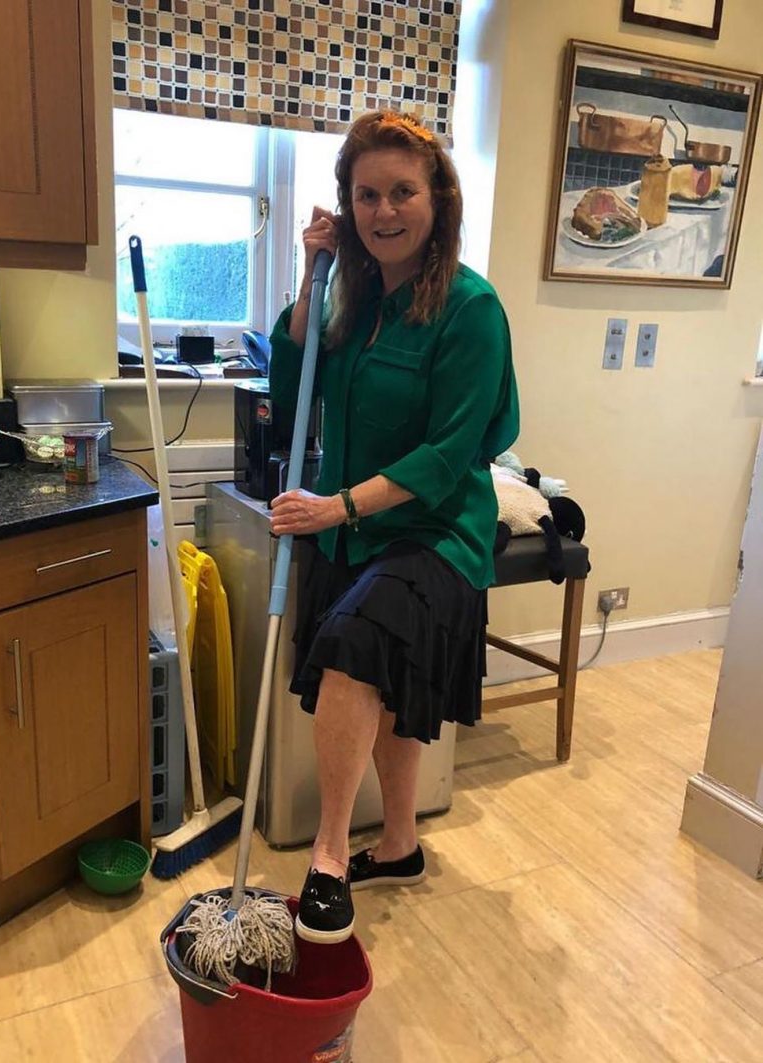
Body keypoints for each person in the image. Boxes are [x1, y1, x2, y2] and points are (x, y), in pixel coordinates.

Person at [268, 110, 519, 945]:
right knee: (380, 680)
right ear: (347, 204)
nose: (384, 211)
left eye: (402, 192)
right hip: (355, 534)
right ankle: (401, 844)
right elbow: (292, 385)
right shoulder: (354, 297)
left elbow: (448, 455)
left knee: (352, 648)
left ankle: (329, 857)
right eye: (367, 194)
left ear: (437, 199)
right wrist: (311, 273)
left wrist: (335, 506)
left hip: (435, 532)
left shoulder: (471, 308)